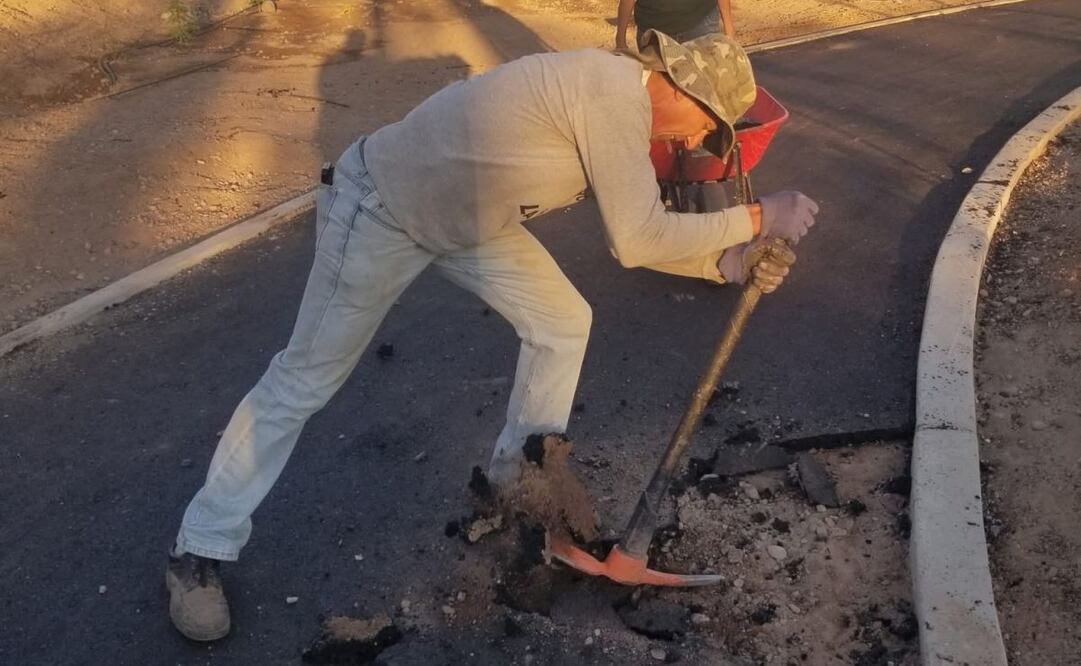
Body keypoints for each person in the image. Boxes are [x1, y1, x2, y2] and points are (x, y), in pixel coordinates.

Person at [165, 30, 818, 641]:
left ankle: (518, 494)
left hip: (469, 223)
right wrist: (758, 215)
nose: (697, 142)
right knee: (305, 379)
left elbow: (642, 222)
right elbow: (637, 239)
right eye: (707, 126)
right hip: (381, 206)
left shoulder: (624, 113)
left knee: (562, 322)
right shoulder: (610, 92)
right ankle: (198, 549)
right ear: (682, 87)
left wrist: (728, 263)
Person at [616, 0, 735, 50]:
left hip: (700, 25)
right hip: (655, 33)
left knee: (704, 89)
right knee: (660, 92)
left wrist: (729, 28)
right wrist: (620, 39)